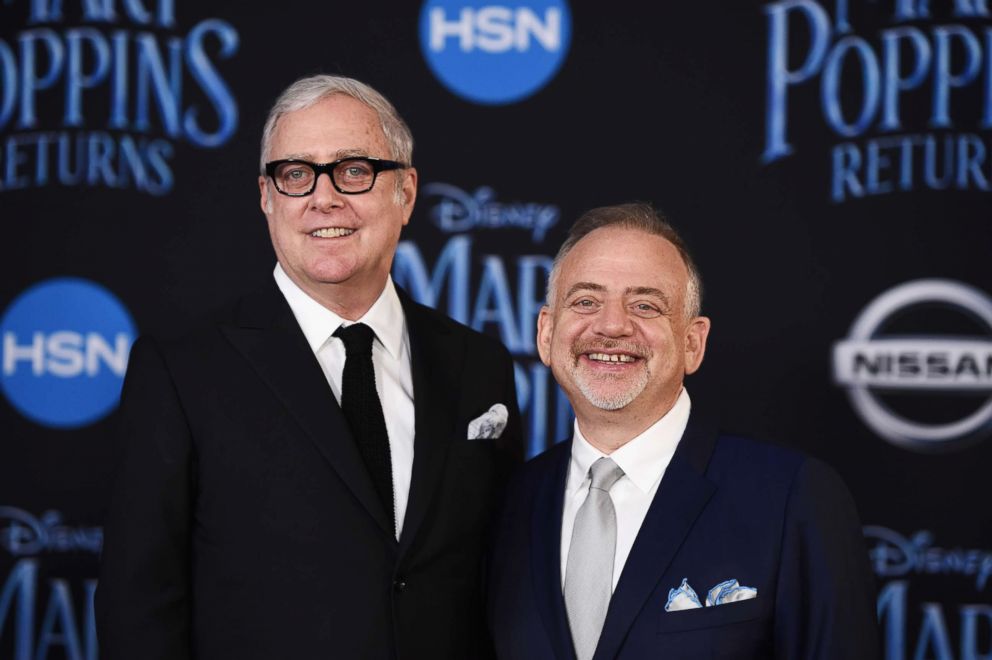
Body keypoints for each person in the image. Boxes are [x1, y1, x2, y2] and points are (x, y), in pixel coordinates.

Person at [96, 74, 522, 660]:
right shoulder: (181, 371)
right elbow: (137, 608)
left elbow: (504, 580)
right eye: (296, 174)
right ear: (267, 197)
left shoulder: (478, 366)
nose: (324, 198)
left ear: (406, 192)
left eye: (354, 170)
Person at [487, 203, 878, 659]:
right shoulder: (509, 502)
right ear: (546, 333)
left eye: (645, 305)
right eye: (586, 301)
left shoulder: (794, 498)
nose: (612, 325)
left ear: (693, 343)